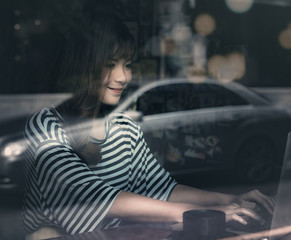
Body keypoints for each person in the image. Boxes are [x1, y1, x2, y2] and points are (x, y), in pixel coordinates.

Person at [22, 7, 275, 240]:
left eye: (128, 65)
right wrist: (206, 213)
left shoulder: (125, 128)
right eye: (110, 65)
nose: (123, 77)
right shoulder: (45, 126)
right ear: (84, 66)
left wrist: (228, 199)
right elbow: (96, 198)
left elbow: (161, 189)